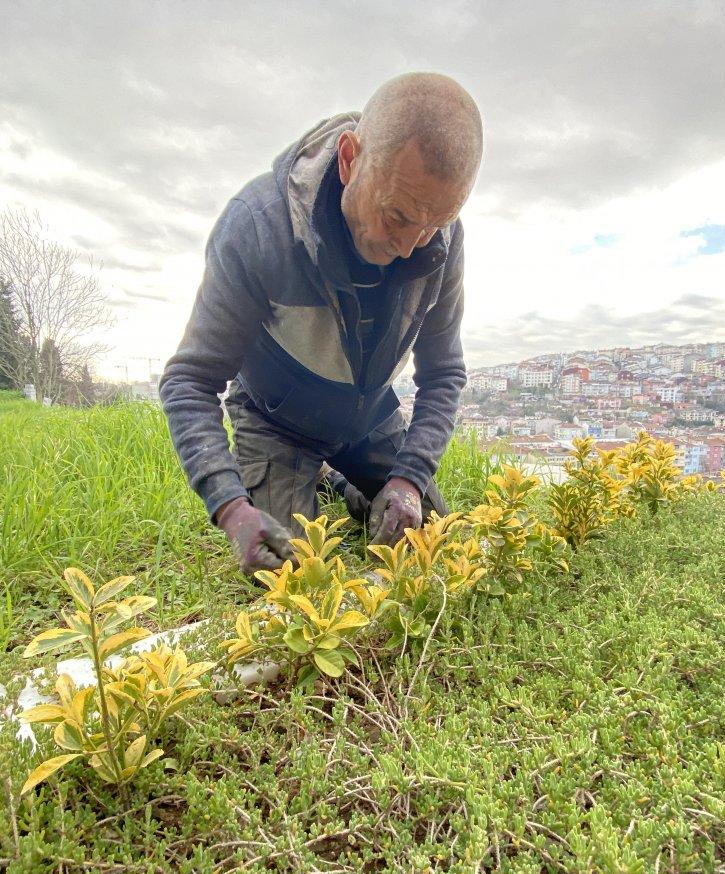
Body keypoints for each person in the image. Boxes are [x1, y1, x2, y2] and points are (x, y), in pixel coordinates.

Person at [160, 72, 483, 576]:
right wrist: (232, 507)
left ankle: (347, 482)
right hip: (277, 421)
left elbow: (444, 373)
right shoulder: (258, 226)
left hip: (368, 416)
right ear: (351, 159)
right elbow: (189, 380)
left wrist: (409, 479)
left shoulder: (440, 238)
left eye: (433, 224)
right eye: (397, 215)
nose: (409, 246)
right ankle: (316, 476)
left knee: (432, 544)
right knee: (289, 572)